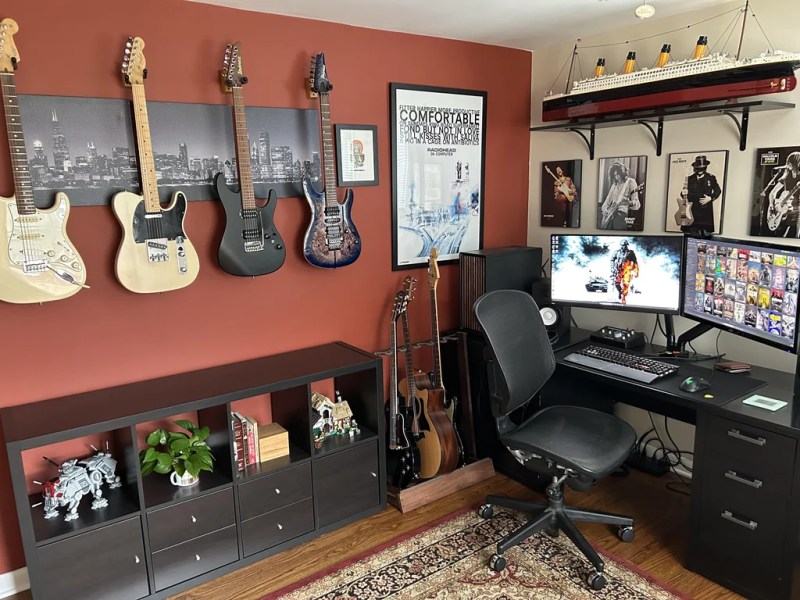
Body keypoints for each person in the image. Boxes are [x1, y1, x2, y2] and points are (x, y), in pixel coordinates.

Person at [682, 155, 722, 235]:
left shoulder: (711, 178)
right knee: (689, 234)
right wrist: (683, 193)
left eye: (702, 168)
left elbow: (718, 190)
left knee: (705, 235)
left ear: (705, 167)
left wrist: (711, 198)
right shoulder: (690, 178)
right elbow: (683, 193)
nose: (700, 170)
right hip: (692, 209)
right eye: (698, 168)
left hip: (705, 209)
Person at [766, 151, 800, 237]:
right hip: (782, 211)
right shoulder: (786, 176)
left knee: (792, 236)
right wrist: (771, 206)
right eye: (788, 162)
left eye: (790, 162)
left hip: (795, 212)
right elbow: (772, 193)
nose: (788, 164)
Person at [599, 161, 641, 230]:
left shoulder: (630, 182)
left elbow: (637, 204)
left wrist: (628, 203)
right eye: (615, 175)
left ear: (623, 173)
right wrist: (606, 211)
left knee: (617, 222)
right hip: (611, 213)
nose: (617, 177)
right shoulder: (614, 185)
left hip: (622, 213)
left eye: (618, 174)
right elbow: (607, 201)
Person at [610, 239, 639, 304]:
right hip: (618, 270)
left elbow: (635, 262)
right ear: (621, 246)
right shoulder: (616, 252)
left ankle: (623, 298)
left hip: (627, 270)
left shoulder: (631, 253)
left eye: (625, 245)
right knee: (616, 283)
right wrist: (612, 268)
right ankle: (620, 291)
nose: (624, 247)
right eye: (623, 245)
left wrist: (636, 271)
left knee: (625, 284)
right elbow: (612, 259)